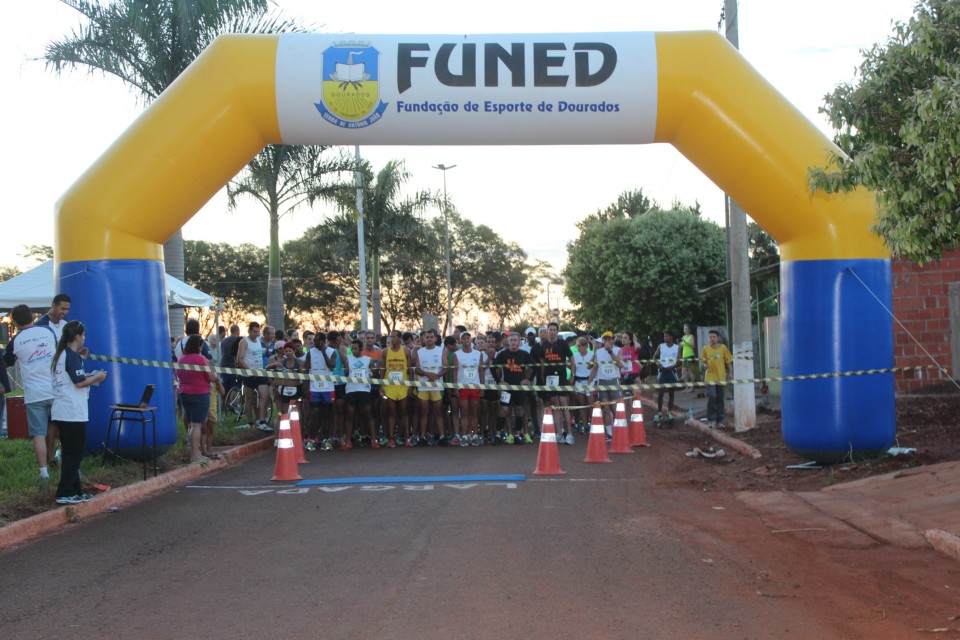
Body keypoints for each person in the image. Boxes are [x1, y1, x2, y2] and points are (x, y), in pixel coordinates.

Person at [50, 320, 106, 504]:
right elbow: (79, 382)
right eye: (83, 335)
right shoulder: (71, 356)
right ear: (76, 336)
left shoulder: (62, 355)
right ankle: (64, 491)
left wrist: (87, 373)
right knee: (75, 453)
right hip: (72, 411)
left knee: (69, 452)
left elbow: (75, 378)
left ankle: (75, 490)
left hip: (62, 409)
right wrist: (97, 377)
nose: (84, 338)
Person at [3, 305, 58, 481]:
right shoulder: (48, 332)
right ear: (33, 317)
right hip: (56, 388)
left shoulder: (16, 341)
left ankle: (43, 473)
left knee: (38, 434)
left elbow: (6, 363)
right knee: (64, 427)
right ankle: (69, 463)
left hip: (35, 393)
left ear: (15, 322)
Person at [176, 335, 218, 463]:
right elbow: (210, 377)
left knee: (190, 425)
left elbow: (178, 375)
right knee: (197, 425)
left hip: (184, 394)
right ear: (199, 346)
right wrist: (216, 376)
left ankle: (194, 452)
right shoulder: (201, 359)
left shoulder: (181, 359)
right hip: (200, 393)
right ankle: (195, 454)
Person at [537, 322, 575, 444]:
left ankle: (569, 434)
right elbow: (542, 362)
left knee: (563, 404)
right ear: (547, 331)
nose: (552, 331)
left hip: (562, 376)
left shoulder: (563, 344)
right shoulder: (544, 344)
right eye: (550, 329)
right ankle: (559, 433)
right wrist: (543, 376)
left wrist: (572, 375)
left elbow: (572, 359)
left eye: (554, 330)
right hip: (549, 377)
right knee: (554, 404)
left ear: (557, 332)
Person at [492, 332, 533, 443]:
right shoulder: (503, 354)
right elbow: (492, 368)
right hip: (507, 388)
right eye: (511, 340)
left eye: (515, 340)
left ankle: (517, 434)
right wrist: (499, 381)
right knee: (503, 410)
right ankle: (498, 434)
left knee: (519, 410)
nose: (513, 342)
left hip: (520, 388)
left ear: (519, 342)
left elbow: (535, 367)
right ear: (508, 342)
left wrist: (528, 379)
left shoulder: (524, 354)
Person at [235, 322, 272, 432]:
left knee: (264, 396)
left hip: (260, 372)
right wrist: (250, 371)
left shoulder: (259, 340)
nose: (256, 334)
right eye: (254, 332)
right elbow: (240, 359)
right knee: (249, 399)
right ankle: (250, 422)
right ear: (249, 331)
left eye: (258, 332)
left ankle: (261, 421)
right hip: (249, 374)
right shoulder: (244, 342)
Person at [412, 329, 444, 444]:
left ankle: (441, 436)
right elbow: (417, 369)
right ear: (424, 339)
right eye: (427, 337)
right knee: (424, 411)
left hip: (437, 385)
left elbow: (445, 368)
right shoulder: (420, 352)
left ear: (435, 338)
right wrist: (427, 374)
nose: (429, 339)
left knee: (438, 411)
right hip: (423, 386)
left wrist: (437, 376)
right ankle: (423, 436)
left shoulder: (441, 350)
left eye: (431, 337)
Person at [344, 338, 378, 447]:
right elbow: (346, 373)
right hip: (351, 390)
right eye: (352, 349)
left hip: (364, 390)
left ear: (361, 349)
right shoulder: (348, 360)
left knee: (368, 414)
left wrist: (375, 369)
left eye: (355, 349)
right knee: (350, 415)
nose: (353, 351)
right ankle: (348, 441)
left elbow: (374, 373)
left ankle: (373, 440)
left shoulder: (369, 360)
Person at [381, 330, 410, 447]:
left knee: (404, 412)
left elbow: (410, 370)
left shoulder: (406, 351)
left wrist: (411, 387)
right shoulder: (385, 352)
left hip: (403, 386)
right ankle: (391, 438)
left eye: (393, 337)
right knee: (391, 412)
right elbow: (383, 369)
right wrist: (381, 386)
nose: (390, 339)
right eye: (390, 337)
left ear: (399, 338)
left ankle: (406, 437)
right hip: (390, 386)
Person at [454, 331, 483, 444]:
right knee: (464, 411)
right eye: (464, 338)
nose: (466, 340)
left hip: (475, 386)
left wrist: (482, 387)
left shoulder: (477, 354)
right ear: (461, 341)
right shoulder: (457, 354)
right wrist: (456, 387)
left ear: (471, 340)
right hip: (463, 387)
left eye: (468, 338)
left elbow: (480, 371)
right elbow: (455, 371)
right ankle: (465, 435)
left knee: (474, 411)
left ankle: (474, 434)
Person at [701, 329, 733, 428]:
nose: (712, 339)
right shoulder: (706, 348)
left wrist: (730, 373)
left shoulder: (723, 348)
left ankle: (720, 420)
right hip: (710, 377)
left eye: (714, 337)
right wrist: (705, 365)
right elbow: (703, 361)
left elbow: (728, 362)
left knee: (720, 399)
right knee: (712, 396)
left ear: (718, 338)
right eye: (710, 337)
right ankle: (711, 419)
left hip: (721, 377)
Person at [593, 331, 623, 437]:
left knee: (615, 407)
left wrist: (610, 352)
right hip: (602, 381)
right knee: (605, 408)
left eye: (609, 339)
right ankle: (609, 433)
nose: (607, 341)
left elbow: (620, 364)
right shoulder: (598, 352)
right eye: (605, 339)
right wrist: (589, 381)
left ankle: (619, 430)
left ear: (612, 340)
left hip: (614, 380)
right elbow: (595, 368)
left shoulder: (618, 350)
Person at [652, 330, 681, 423]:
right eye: (664, 337)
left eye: (667, 336)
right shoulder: (661, 346)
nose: (665, 338)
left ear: (671, 337)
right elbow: (654, 357)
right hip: (662, 371)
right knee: (661, 392)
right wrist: (658, 364)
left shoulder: (677, 347)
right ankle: (659, 412)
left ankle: (669, 412)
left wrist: (672, 366)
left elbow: (679, 360)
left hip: (672, 371)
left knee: (671, 393)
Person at [571, 336, 596, 433]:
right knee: (582, 404)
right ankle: (585, 425)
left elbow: (594, 369)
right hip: (579, 381)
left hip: (590, 381)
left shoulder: (591, 355)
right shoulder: (575, 356)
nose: (578, 347)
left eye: (580, 345)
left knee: (590, 404)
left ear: (585, 346)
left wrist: (591, 380)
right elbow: (573, 368)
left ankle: (592, 423)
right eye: (577, 346)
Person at [219, 324, 241, 393]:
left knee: (224, 389)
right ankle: (232, 403)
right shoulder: (239, 341)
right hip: (234, 367)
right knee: (234, 388)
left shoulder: (224, 341)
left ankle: (224, 403)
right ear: (238, 331)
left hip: (224, 367)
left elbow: (222, 353)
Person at [680, 323, 698, 392]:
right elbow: (681, 346)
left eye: (685, 328)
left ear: (689, 330)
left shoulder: (691, 336)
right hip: (684, 356)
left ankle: (692, 387)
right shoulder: (683, 337)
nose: (684, 330)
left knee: (691, 372)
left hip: (690, 355)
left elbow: (693, 346)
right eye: (684, 328)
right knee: (684, 372)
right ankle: (686, 387)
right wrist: (680, 343)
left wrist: (686, 342)